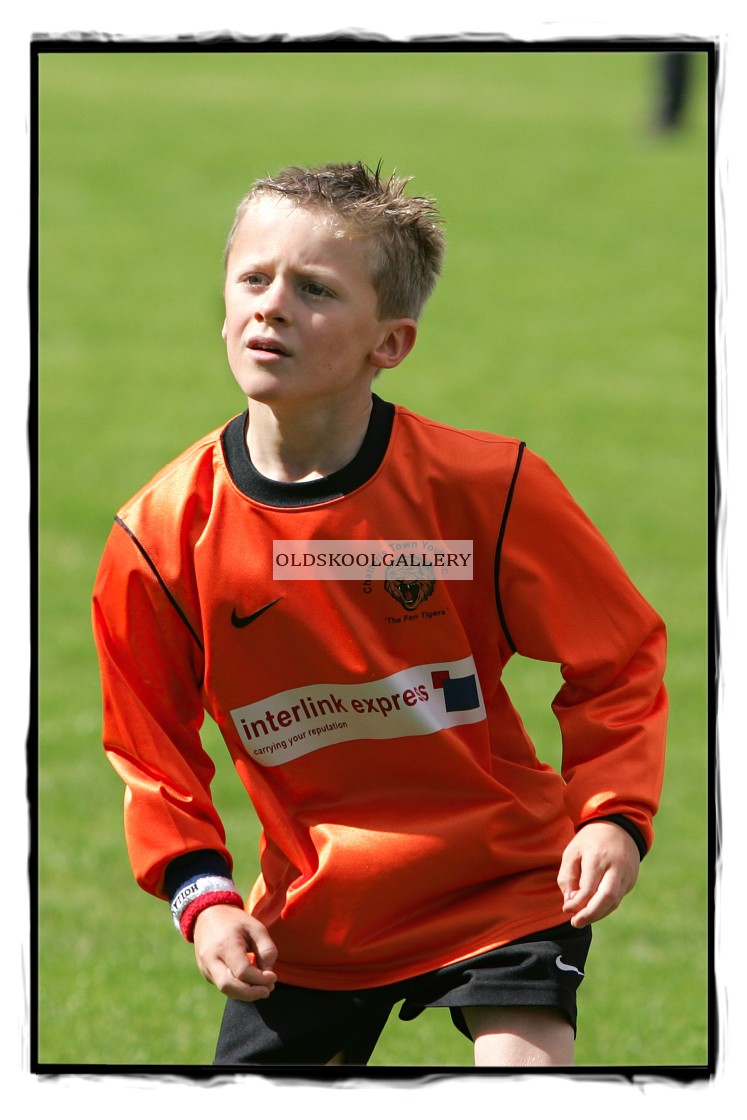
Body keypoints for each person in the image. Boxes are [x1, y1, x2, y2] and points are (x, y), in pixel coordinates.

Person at [92, 162, 667, 1068]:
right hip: (318, 916)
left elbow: (620, 657)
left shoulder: (487, 489)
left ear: (389, 343)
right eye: (253, 278)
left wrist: (609, 814)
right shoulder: (159, 535)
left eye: (314, 290)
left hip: (500, 881)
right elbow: (148, 745)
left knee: (524, 1076)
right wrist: (203, 896)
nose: (271, 306)